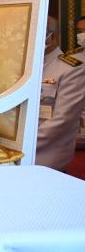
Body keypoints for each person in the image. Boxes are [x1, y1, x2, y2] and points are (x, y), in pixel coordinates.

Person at [35, 16, 85, 171]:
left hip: (46, 157)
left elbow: (62, 120)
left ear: (52, 36)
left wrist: (23, 142)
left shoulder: (72, 68)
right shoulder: (23, 65)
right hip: (16, 152)